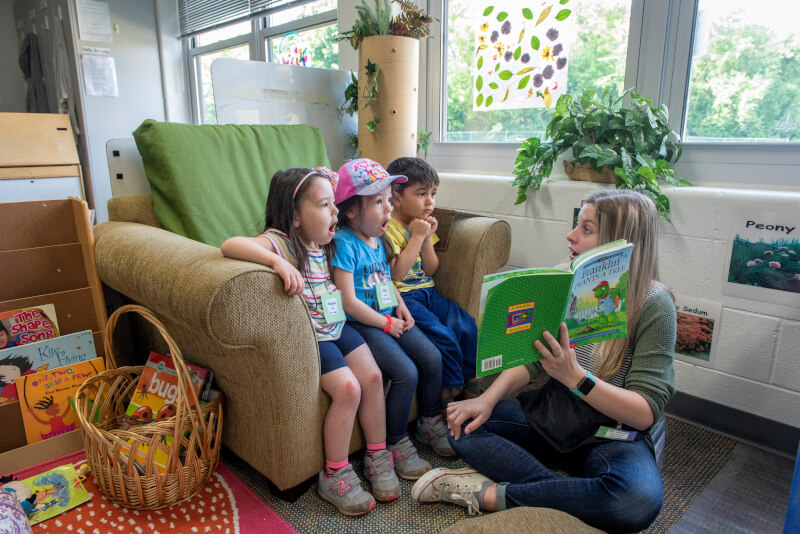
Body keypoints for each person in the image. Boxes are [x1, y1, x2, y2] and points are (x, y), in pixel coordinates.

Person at [411, 189, 677, 533]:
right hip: (557, 412)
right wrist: (486, 399)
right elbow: (533, 361)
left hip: (614, 431)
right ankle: (566, 493)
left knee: (636, 501)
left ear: (618, 243)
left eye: (586, 228)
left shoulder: (656, 305)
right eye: (575, 225)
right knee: (461, 426)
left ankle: (492, 494)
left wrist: (577, 378)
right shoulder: (563, 281)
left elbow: (645, 410)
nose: (570, 235)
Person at [221, 167, 399, 516]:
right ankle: (334, 474)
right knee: (349, 389)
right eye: (323, 205)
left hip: (338, 327)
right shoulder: (284, 242)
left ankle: (377, 455)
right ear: (295, 217)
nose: (334, 212)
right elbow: (230, 245)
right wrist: (276, 262)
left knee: (374, 378)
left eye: (334, 204)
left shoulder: (327, 242)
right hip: (314, 338)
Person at [331, 158, 456, 482]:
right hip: (362, 323)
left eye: (388, 200)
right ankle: (396, 441)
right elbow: (348, 301)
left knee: (432, 355)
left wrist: (402, 307)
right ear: (350, 211)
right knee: (405, 371)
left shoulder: (380, 239)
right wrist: (385, 324)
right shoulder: (345, 243)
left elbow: (387, 280)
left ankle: (428, 420)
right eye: (377, 202)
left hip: (388, 315)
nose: (388, 209)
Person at [384, 157, 481, 414]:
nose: (430, 201)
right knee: (443, 335)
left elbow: (430, 269)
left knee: (466, 323)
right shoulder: (387, 228)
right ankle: (448, 394)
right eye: (421, 194)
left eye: (433, 193)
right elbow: (395, 273)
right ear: (396, 196)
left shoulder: (422, 224)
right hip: (406, 298)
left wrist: (426, 238)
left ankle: (473, 381)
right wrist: (417, 236)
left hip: (428, 291)